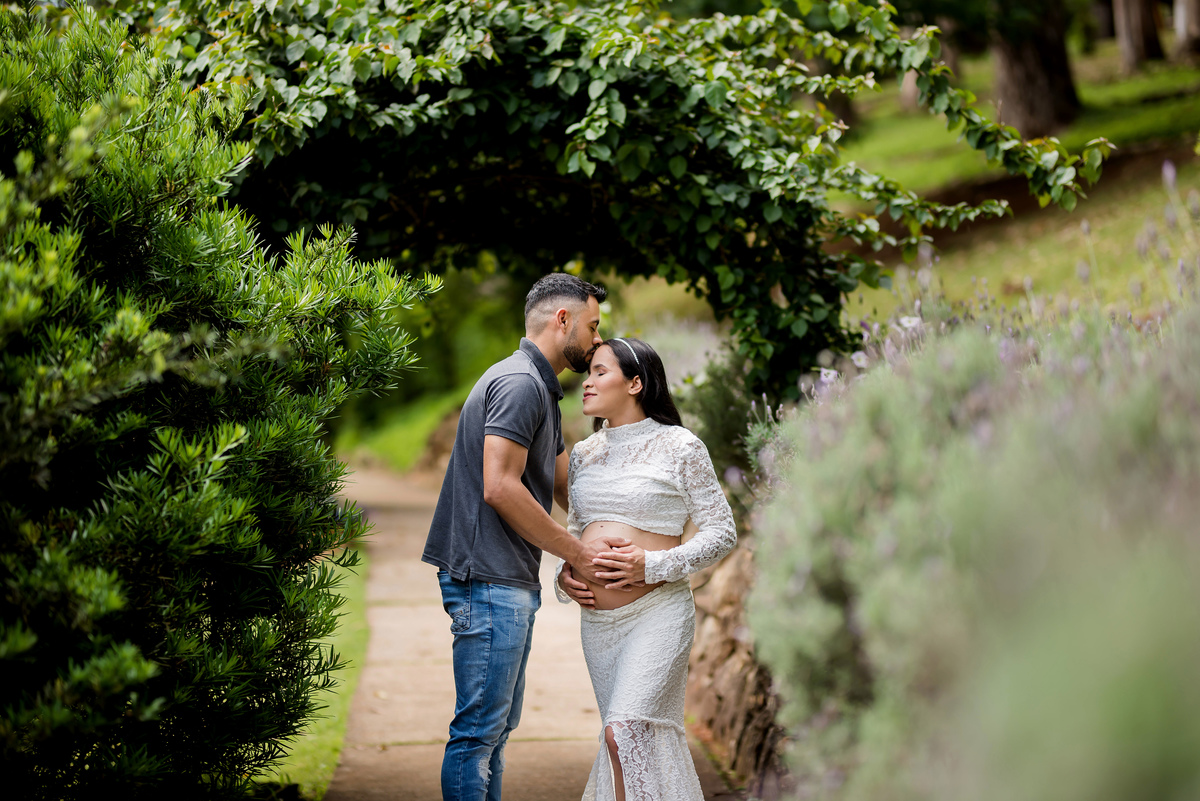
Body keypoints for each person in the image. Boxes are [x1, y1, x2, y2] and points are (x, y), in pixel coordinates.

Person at [422, 273, 637, 801]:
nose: (594, 339)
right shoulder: (520, 384)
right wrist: (580, 554)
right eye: (592, 326)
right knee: (477, 736)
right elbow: (500, 487)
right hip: (487, 579)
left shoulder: (539, 386)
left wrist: (626, 525)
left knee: (493, 736)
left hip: (503, 580)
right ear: (562, 320)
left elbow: (565, 483)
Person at [556, 337, 738, 801]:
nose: (588, 382)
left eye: (601, 372)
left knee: (626, 731)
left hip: (658, 612)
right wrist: (566, 578)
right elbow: (577, 531)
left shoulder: (681, 446)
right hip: (599, 624)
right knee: (620, 741)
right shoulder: (584, 454)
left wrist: (651, 565)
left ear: (635, 383)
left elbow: (722, 532)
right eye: (588, 373)